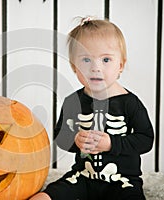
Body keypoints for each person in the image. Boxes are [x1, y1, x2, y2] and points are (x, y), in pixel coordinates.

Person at [30, 17, 154, 200]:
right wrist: (75, 140)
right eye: (86, 59)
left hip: (122, 180)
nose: (95, 68)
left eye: (106, 60)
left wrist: (112, 143)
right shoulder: (73, 101)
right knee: (42, 197)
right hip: (82, 176)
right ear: (74, 67)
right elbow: (60, 136)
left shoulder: (130, 103)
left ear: (120, 65)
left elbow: (146, 139)